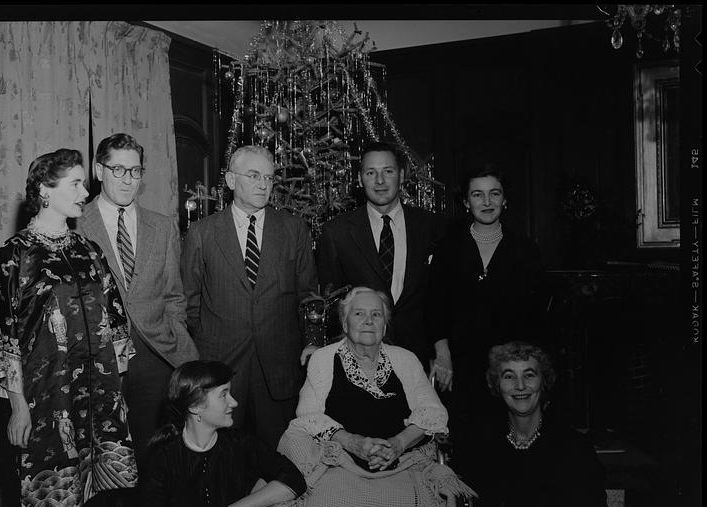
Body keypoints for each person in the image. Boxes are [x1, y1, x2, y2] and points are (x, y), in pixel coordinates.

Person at [0, 149, 137, 507]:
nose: (86, 192)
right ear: (44, 191)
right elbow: (2, 337)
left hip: (99, 403)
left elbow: (116, 324)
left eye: (85, 183)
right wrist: (17, 406)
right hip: (46, 400)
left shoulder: (90, 250)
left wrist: (117, 394)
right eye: (76, 183)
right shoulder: (13, 256)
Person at [255, 287, 474, 507]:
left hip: (402, 463)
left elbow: (434, 412)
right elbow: (308, 415)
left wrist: (397, 444)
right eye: (359, 314)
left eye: (376, 314)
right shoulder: (324, 359)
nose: (368, 320)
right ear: (345, 323)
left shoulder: (405, 359)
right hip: (339, 463)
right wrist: (354, 442)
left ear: (385, 324)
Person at [181, 145, 318, 450]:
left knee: (280, 459)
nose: (263, 184)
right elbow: (189, 303)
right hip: (222, 369)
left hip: (279, 369)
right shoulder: (202, 234)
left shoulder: (293, 230)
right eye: (253, 175)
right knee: (223, 460)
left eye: (269, 178)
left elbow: (308, 295)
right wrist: (206, 348)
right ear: (230, 180)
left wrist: (311, 340)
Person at [77, 132, 198, 471]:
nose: (128, 179)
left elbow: (175, 295)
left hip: (155, 357)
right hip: (98, 359)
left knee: (152, 458)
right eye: (118, 170)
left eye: (135, 171)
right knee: (103, 457)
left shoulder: (162, 227)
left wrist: (179, 346)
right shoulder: (76, 224)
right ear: (99, 171)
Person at [428, 163, 546, 445]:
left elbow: (537, 317)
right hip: (460, 367)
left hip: (511, 367)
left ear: (504, 200)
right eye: (478, 195)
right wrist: (442, 356)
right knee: (467, 443)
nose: (487, 202)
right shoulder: (447, 249)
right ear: (466, 202)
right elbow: (434, 308)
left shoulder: (526, 250)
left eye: (494, 194)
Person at [142, 360, 306, 507]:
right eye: (223, 394)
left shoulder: (241, 443)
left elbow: (294, 480)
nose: (234, 402)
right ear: (195, 406)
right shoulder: (162, 458)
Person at [456, 341, 608, 507]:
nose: (520, 386)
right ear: (497, 385)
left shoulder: (574, 445)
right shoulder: (482, 445)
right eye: (509, 376)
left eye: (529, 375)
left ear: (543, 382)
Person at [317, 141, 447, 367]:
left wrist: (442, 351)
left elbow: (441, 297)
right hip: (359, 358)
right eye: (370, 172)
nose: (379, 181)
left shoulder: (431, 227)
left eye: (388, 171)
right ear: (359, 179)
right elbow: (330, 305)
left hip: (419, 357)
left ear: (402, 175)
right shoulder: (336, 232)